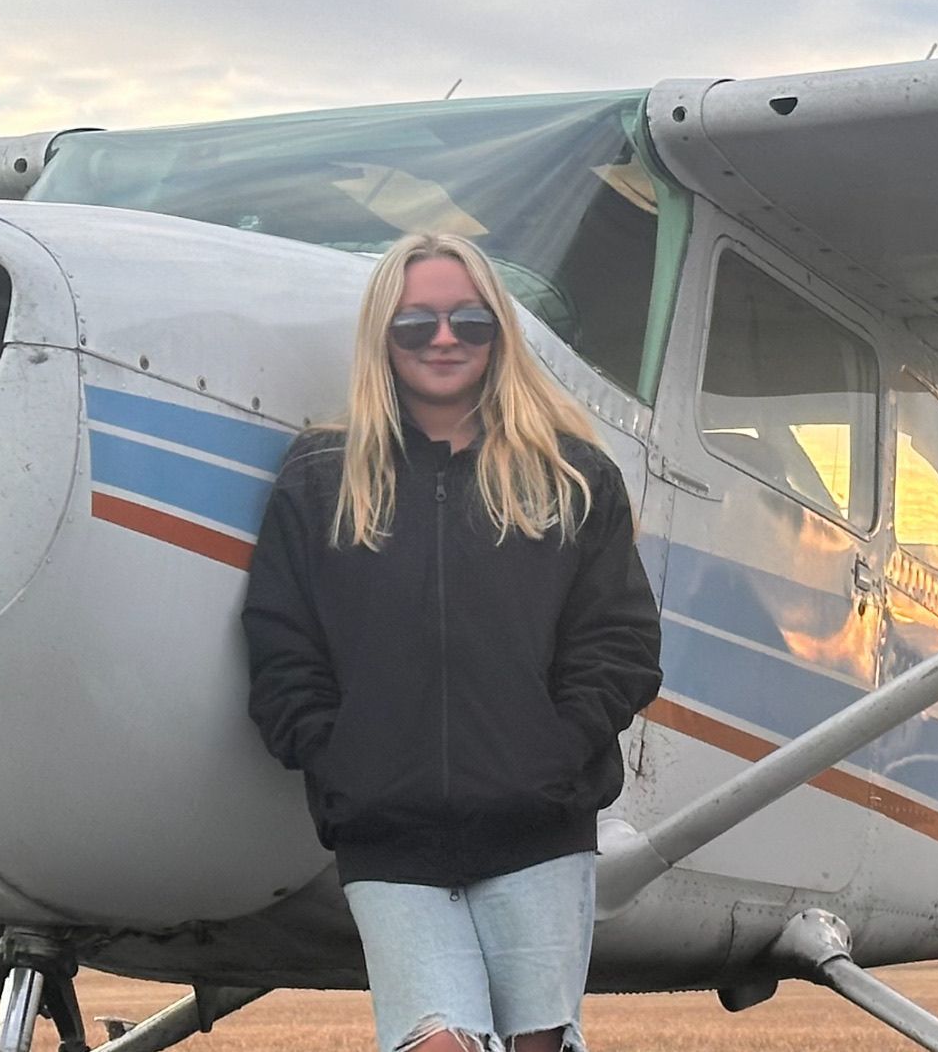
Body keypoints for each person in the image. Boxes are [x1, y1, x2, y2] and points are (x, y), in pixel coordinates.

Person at [242, 232, 663, 1052]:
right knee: (435, 1042)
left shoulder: (573, 476)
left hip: (538, 827)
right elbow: (280, 644)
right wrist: (341, 759)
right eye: (417, 324)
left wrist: (553, 753)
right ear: (382, 338)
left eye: (469, 322)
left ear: (499, 335)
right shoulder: (320, 477)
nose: (444, 339)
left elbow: (618, 643)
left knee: (537, 1044)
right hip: (387, 832)